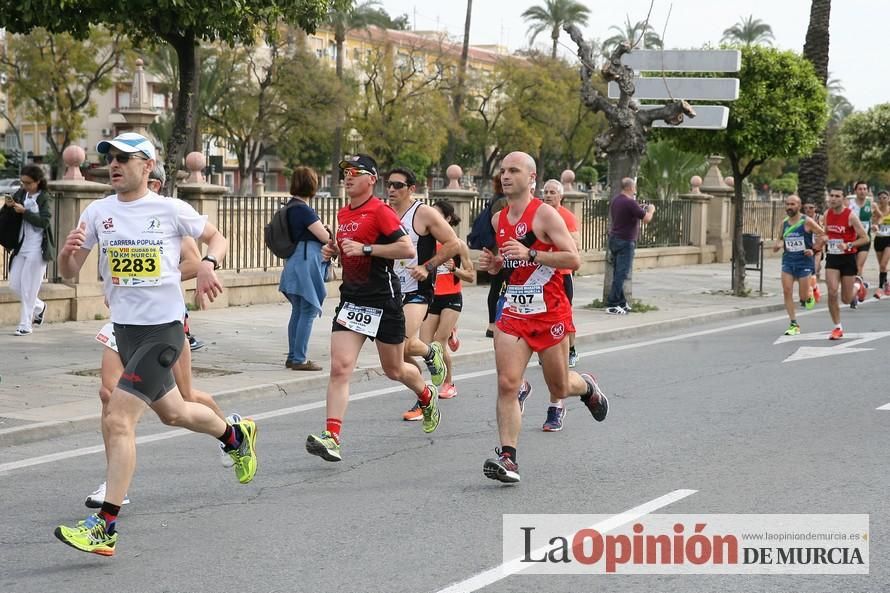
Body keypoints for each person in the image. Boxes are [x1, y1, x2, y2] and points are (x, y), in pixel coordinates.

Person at [54, 132, 257, 557]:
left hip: (162, 330)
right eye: (110, 157)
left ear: (147, 166)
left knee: (118, 418)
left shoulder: (170, 209)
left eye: (125, 158)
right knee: (175, 413)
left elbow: (217, 239)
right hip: (123, 331)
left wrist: (207, 264)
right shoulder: (97, 212)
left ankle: (105, 526)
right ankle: (234, 436)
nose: (114, 164)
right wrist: (67, 254)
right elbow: (71, 273)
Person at [84, 163, 238, 509]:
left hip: (162, 323)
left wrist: (160, 274)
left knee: (180, 402)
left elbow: (196, 261)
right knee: (109, 395)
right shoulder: (106, 215)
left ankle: (231, 433)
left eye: (153, 182)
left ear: (154, 180)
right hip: (122, 322)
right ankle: (114, 482)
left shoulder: (169, 217)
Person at [478, 152, 608, 484]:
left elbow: (573, 259)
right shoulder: (499, 219)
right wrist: (496, 266)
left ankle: (587, 386)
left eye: (514, 171)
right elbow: (512, 264)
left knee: (560, 386)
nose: (505, 176)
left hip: (549, 312)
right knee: (507, 383)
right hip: (515, 312)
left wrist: (532, 252)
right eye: (503, 171)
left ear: (531, 177)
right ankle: (508, 458)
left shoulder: (546, 214)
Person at [305, 154, 440, 463]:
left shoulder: (380, 211)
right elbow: (350, 248)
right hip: (352, 300)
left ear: (371, 180)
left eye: (355, 172)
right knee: (340, 368)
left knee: (394, 370)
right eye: (345, 173)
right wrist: (336, 250)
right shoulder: (343, 214)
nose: (348, 178)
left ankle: (426, 395)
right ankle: (332, 436)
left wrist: (366, 248)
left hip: (383, 301)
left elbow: (407, 249)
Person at [386, 167, 459, 421]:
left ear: (411, 189)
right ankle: (425, 384)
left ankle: (429, 360)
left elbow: (454, 244)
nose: (392, 190)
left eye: (398, 185)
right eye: (389, 185)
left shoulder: (423, 213)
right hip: (391, 289)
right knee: (400, 356)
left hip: (418, 289)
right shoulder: (383, 213)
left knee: (404, 342)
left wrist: (427, 267)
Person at [420, 200, 474, 400]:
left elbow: (470, 276)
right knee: (424, 343)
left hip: (452, 298)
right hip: (432, 298)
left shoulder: (458, 245)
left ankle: (449, 383)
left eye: (436, 214)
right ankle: (450, 331)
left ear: (448, 218)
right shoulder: (427, 244)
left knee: (438, 343)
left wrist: (454, 269)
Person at [279, 166, 331, 371]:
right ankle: (299, 359)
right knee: (308, 308)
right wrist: (327, 230)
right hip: (306, 259)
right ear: (312, 184)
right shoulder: (303, 209)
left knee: (299, 309)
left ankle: (293, 356)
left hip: (295, 260)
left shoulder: (290, 207)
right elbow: (325, 237)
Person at [4, 164, 54, 336]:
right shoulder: (21, 193)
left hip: (37, 249)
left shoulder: (44, 197)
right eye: (22, 182)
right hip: (21, 246)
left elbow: (44, 222)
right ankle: (40, 306)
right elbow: (11, 210)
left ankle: (25, 325)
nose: (24, 186)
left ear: (38, 182)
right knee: (14, 285)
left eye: (28, 183)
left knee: (29, 289)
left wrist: (24, 212)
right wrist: (10, 204)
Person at [541, 179, 580, 368]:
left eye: (552, 192)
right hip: (541, 274)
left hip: (562, 273)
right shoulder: (539, 215)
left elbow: (575, 247)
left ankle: (571, 350)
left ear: (560, 196)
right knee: (543, 313)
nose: (548, 195)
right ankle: (547, 350)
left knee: (565, 314)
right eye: (546, 192)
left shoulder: (567, 217)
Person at [772, 195, 824, 336]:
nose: (789, 207)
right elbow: (781, 239)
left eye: (792, 204)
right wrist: (778, 245)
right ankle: (794, 323)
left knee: (802, 297)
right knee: (787, 291)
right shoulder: (784, 223)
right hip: (788, 261)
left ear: (799, 206)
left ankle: (809, 295)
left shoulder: (807, 221)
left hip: (804, 263)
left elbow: (823, 235)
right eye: (787, 204)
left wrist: (813, 249)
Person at [824, 185, 869, 340]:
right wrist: (823, 239)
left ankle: (858, 285)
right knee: (831, 292)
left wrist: (848, 244)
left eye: (837, 196)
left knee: (846, 299)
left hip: (848, 258)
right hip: (832, 257)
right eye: (832, 196)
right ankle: (837, 327)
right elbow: (825, 233)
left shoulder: (850, 216)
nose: (833, 199)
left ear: (843, 199)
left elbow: (865, 238)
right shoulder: (826, 214)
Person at [606, 177, 654, 315]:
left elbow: (631, 213)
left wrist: (639, 208)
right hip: (625, 242)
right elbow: (646, 219)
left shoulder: (617, 200)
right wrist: (651, 210)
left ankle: (621, 303)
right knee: (621, 274)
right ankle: (612, 304)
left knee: (617, 273)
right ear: (632, 188)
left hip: (614, 240)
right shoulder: (630, 203)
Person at [484, 175, 509, 337]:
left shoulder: (496, 199)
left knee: (496, 287)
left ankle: (493, 324)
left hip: (497, 248)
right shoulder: (502, 202)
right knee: (500, 286)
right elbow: (503, 228)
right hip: (500, 249)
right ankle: (493, 324)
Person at [848, 181, 872, 294]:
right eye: (860, 189)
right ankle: (860, 285)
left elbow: (878, 216)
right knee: (851, 266)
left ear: (867, 191)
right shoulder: (849, 204)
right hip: (851, 240)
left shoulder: (871, 204)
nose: (862, 191)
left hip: (865, 240)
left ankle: (855, 292)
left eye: (864, 189)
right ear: (856, 191)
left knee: (858, 265)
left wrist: (876, 224)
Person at [869, 190, 890, 298]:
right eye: (880, 198)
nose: (882, 200)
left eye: (884, 198)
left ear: (888, 199)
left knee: (883, 264)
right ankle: (886, 282)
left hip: (889, 240)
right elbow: (874, 224)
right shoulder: (875, 212)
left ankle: (880, 288)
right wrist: (874, 226)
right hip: (879, 240)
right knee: (882, 266)